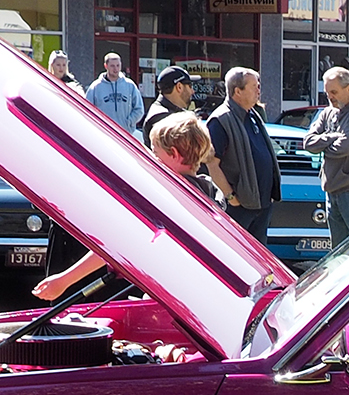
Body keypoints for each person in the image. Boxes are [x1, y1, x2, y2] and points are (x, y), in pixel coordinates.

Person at [34, 114, 227, 300]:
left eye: (155, 153)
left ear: (174, 154)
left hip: (165, 299)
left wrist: (64, 280)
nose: (152, 160)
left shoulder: (165, 200)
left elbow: (119, 242)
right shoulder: (209, 194)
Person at [302, 65, 349, 242]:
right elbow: (308, 142)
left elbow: (345, 147)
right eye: (327, 92)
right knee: (338, 250)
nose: (330, 97)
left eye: (334, 92)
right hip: (332, 190)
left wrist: (323, 145)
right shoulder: (328, 112)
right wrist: (333, 137)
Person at [205, 67, 278, 245]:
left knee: (258, 256)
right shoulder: (221, 120)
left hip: (261, 204)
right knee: (234, 251)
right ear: (237, 91)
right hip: (240, 208)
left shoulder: (253, 115)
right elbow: (212, 164)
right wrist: (231, 198)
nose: (258, 90)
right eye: (254, 86)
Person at [87, 51, 145, 131]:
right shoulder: (95, 87)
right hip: (103, 132)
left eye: (118, 65)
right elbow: (87, 110)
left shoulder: (130, 85)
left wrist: (128, 122)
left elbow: (139, 109)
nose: (116, 69)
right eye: (112, 66)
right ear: (106, 66)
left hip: (125, 133)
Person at [140, 65, 196, 144]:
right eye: (190, 86)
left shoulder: (164, 111)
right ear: (179, 87)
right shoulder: (162, 117)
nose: (192, 91)